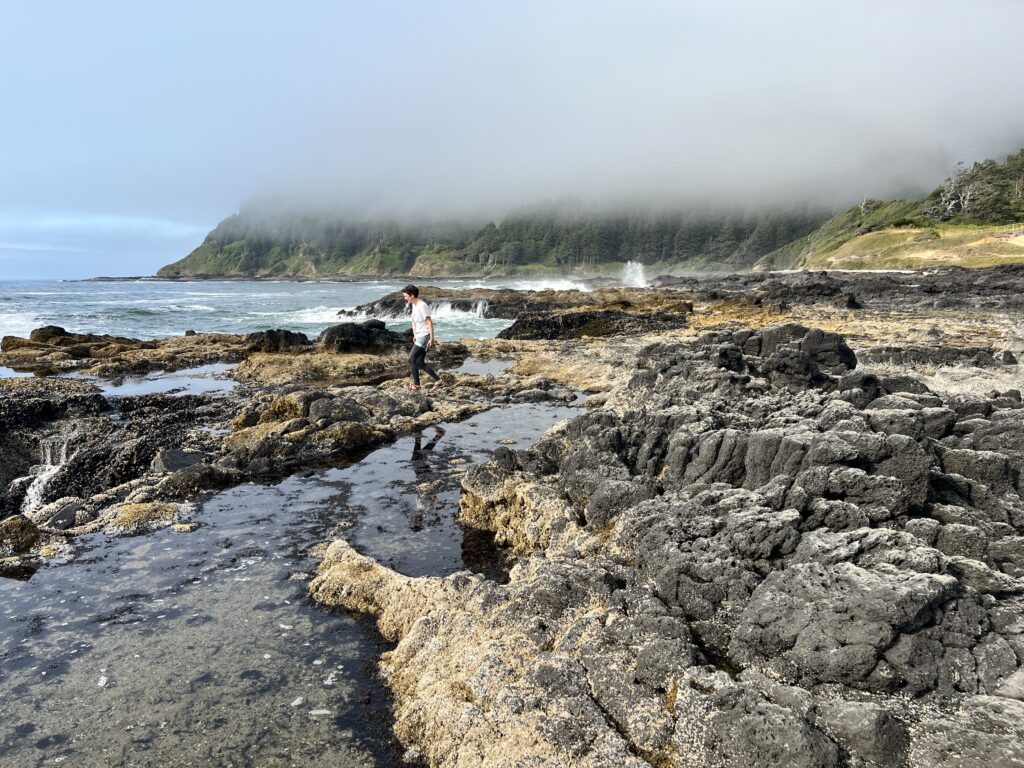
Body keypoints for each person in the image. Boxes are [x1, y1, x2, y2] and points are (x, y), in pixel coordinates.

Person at [402, 284, 445, 391]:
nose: (405, 298)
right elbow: (414, 321)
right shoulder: (414, 305)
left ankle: (416, 385)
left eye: (406, 296)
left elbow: (429, 322)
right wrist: (415, 335)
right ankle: (439, 381)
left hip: (424, 335)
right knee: (419, 362)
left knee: (411, 359)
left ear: (412, 295)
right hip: (419, 335)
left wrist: (431, 338)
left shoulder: (422, 306)